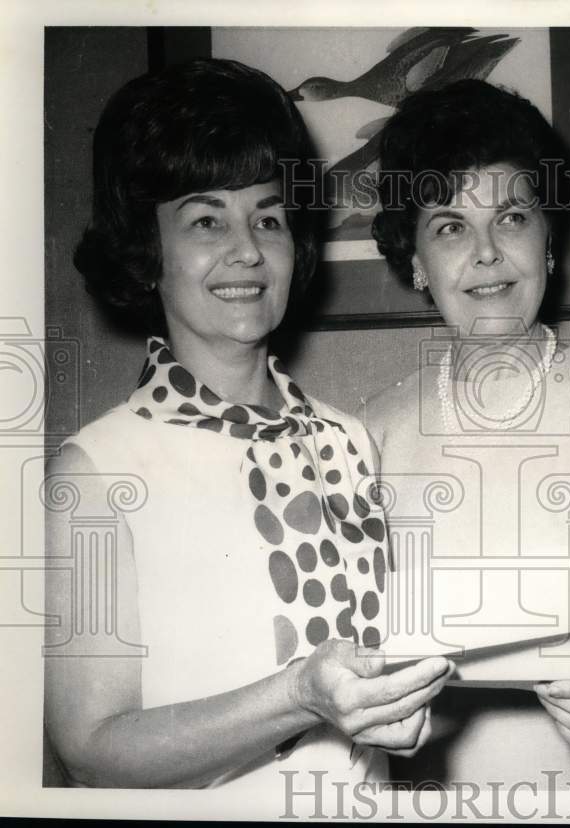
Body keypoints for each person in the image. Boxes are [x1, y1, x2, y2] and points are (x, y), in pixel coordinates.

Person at [44, 58, 453, 790]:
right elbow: (88, 747)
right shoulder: (95, 472)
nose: (247, 248)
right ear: (147, 250)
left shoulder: (348, 441)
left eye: (268, 216)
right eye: (206, 219)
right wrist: (296, 696)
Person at [365, 79, 570, 789]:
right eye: (450, 226)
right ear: (416, 264)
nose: (487, 253)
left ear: (550, 240)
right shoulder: (368, 435)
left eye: (512, 217)